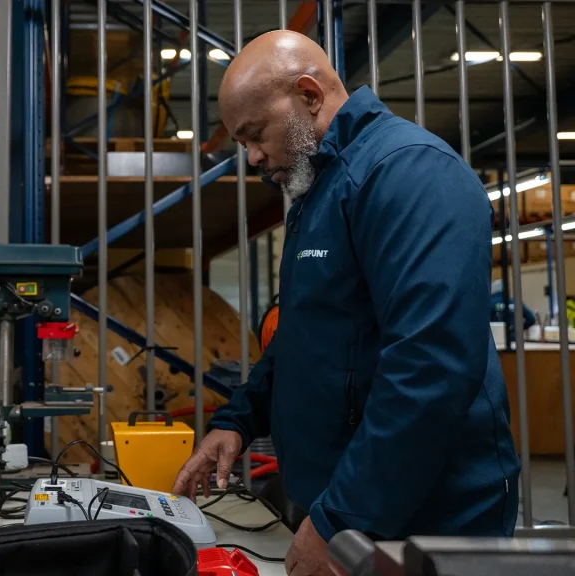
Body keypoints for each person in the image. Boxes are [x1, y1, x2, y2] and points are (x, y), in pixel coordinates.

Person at [172, 31, 520, 576]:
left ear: (309, 96)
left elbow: (430, 366)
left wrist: (341, 520)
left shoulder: (409, 172)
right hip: (353, 509)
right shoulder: (322, 190)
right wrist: (237, 421)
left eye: (255, 135)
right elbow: (302, 335)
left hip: (424, 522)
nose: (253, 157)